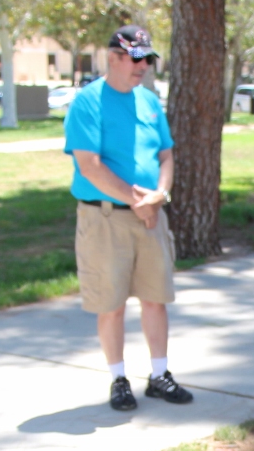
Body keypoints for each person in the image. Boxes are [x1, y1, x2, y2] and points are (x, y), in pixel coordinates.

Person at [64, 25, 193, 412]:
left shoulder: (149, 102)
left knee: (156, 298)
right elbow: (89, 166)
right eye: (136, 59)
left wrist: (160, 195)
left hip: (150, 214)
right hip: (105, 219)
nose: (143, 67)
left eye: (147, 60)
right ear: (114, 58)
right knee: (112, 303)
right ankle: (119, 379)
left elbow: (166, 155)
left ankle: (159, 375)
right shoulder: (88, 102)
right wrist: (136, 200)